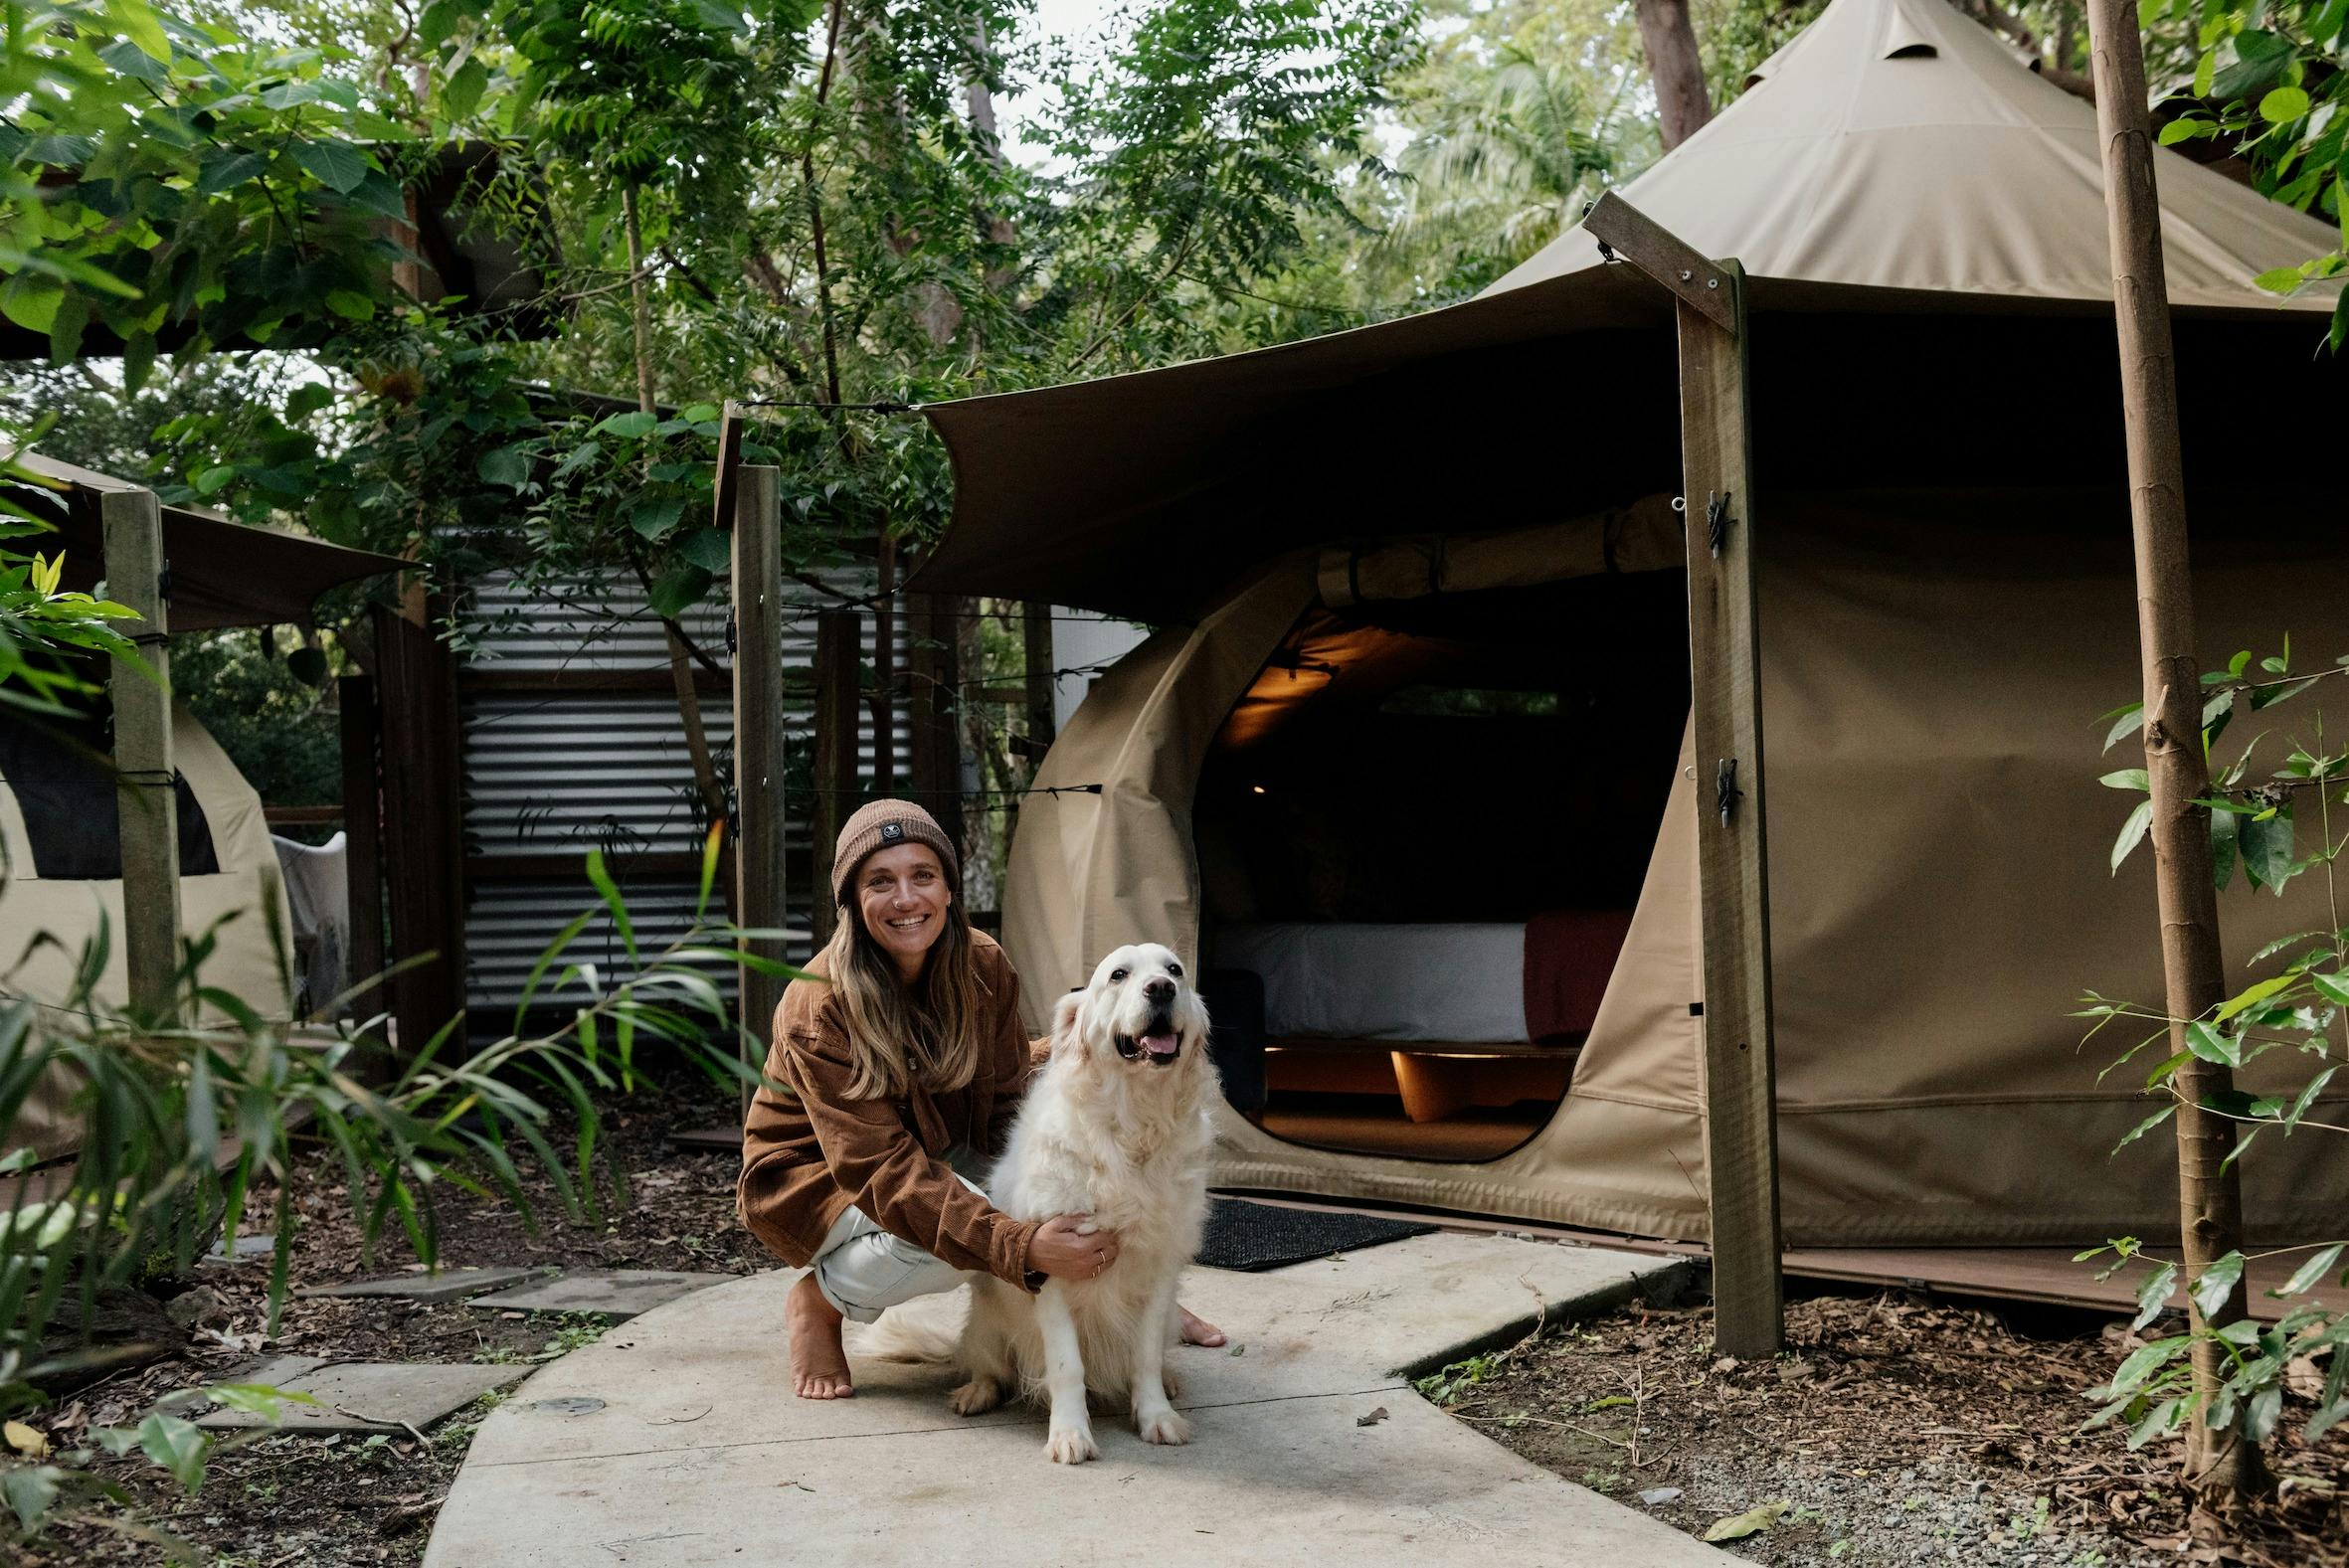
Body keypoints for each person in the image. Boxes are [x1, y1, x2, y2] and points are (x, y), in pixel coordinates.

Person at [738, 799, 1224, 1400]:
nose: (906, 899)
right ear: (852, 902)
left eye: (923, 875)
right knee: (955, 1236)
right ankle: (819, 1302)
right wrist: (1021, 1246)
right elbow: (880, 1171)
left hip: (932, 1147)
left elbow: (1004, 1110)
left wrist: (1124, 1273)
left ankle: (1135, 1304)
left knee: (1063, 1191)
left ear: (948, 889)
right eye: (880, 882)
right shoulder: (818, 1007)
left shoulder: (982, 964)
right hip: (821, 1180)